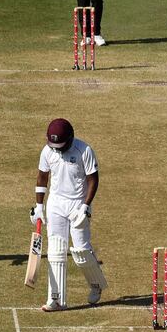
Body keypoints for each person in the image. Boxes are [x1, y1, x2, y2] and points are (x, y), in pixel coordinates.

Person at [31, 118, 107, 311]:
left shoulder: (85, 151)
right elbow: (42, 178)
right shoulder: (48, 151)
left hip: (77, 204)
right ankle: (56, 300)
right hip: (55, 203)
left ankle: (96, 286)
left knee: (81, 251)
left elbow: (93, 179)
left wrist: (85, 206)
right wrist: (39, 206)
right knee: (56, 250)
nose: (58, 149)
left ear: (71, 138)